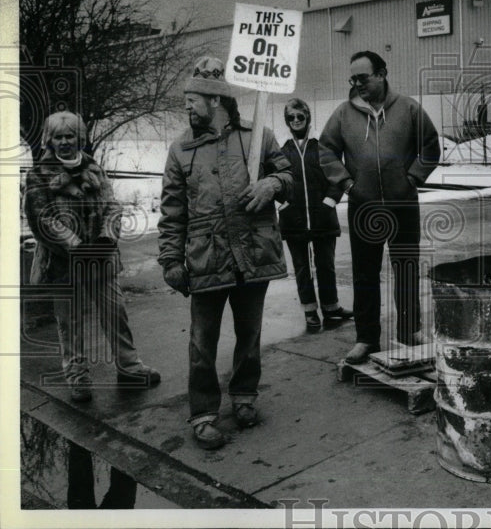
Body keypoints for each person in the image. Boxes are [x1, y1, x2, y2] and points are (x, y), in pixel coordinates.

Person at [157, 56, 293, 450]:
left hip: (252, 251)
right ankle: (203, 414)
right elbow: (171, 210)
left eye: (192, 99)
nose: (187, 106)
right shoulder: (180, 150)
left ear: (216, 101)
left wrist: (271, 184)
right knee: (202, 341)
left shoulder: (258, 137)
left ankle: (245, 397)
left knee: (250, 334)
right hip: (206, 257)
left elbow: (288, 177)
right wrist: (170, 259)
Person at [23, 111, 160, 404]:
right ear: (49, 139)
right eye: (58, 137)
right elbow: (42, 218)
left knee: (116, 313)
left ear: (80, 138)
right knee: (69, 323)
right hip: (63, 263)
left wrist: (105, 239)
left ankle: (129, 366)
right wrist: (75, 245)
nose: (64, 142)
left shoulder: (94, 168)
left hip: (101, 257)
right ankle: (77, 376)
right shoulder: (39, 174)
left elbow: (113, 207)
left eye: (70, 136)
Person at [318, 50, 440, 364]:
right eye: (353, 79)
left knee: (407, 270)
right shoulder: (343, 114)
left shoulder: (409, 108)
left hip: (403, 205)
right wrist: (347, 184)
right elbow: (326, 150)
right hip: (364, 207)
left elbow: (430, 145)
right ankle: (367, 338)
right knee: (365, 275)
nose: (357, 83)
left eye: (363, 77)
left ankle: (410, 330)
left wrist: (413, 178)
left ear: (382, 74)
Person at [278, 97, 352, 333]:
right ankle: (310, 312)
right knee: (302, 268)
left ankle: (331, 309)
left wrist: (328, 203)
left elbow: (338, 177)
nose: (296, 121)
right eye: (291, 117)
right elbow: (272, 182)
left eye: (301, 116)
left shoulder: (321, 147)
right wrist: (284, 206)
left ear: (308, 118)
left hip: (322, 218)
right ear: (287, 121)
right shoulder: (281, 152)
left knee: (325, 266)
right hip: (294, 221)